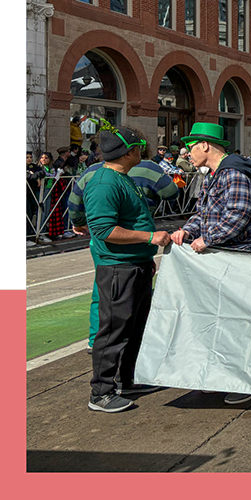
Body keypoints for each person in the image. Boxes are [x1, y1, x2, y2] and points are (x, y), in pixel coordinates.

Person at [171, 122, 251, 406]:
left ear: (205, 145)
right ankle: (221, 375)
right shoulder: (215, 174)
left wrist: (207, 239)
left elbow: (239, 213)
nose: (187, 153)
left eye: (190, 147)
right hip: (226, 258)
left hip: (241, 258)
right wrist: (188, 230)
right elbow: (204, 213)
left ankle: (245, 380)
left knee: (239, 324)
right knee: (220, 321)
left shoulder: (232, 173)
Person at [83, 128, 172, 413]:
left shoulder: (122, 178)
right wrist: (149, 238)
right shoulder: (105, 184)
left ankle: (125, 379)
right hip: (118, 268)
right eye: (139, 146)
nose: (142, 150)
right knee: (114, 330)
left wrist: (145, 256)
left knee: (134, 328)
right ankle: (101, 392)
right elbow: (104, 229)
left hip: (134, 265)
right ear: (128, 151)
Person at [70, 129, 179, 353]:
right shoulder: (136, 171)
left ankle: (99, 341)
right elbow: (171, 193)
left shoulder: (96, 171)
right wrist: (149, 230)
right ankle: (112, 356)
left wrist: (79, 222)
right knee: (123, 299)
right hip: (123, 247)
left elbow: (74, 202)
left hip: (123, 247)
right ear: (129, 152)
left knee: (103, 294)